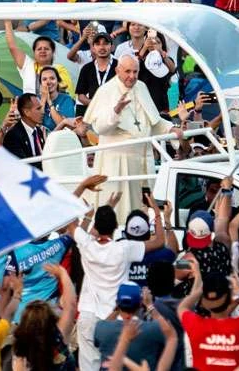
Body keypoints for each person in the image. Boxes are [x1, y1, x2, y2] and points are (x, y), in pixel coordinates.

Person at [69, 187, 165, 371]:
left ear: (96, 226)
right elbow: (160, 241)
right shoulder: (124, 248)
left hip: (89, 316)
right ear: (115, 227)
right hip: (117, 318)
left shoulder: (86, 244)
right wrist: (156, 211)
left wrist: (82, 186)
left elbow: (70, 221)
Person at [83, 55, 177, 220]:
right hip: (116, 163)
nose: (132, 76)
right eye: (127, 71)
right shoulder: (106, 91)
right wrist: (116, 111)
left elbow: (152, 121)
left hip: (141, 160)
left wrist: (172, 128)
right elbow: (99, 128)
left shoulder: (141, 87)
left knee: (140, 211)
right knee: (119, 211)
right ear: (117, 70)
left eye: (135, 72)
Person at [178, 267, 239, 371]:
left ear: (204, 302)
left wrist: (201, 290)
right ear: (230, 298)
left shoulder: (196, 325)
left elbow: (182, 307)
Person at [94, 282, 172, 370]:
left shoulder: (101, 328)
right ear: (140, 304)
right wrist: (149, 305)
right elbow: (170, 335)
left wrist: (117, 309)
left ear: (117, 303)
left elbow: (104, 325)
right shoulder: (154, 328)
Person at [1, 93, 46, 164]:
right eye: (38, 109)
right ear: (26, 112)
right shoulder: (13, 136)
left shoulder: (38, 131)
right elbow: (23, 166)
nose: (43, 112)